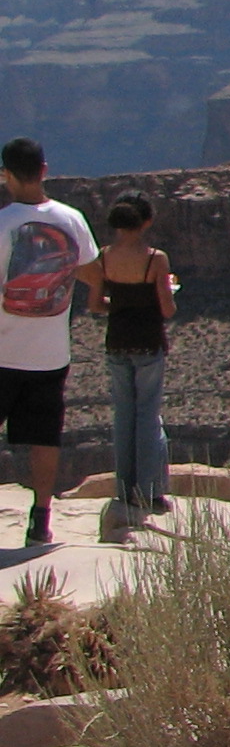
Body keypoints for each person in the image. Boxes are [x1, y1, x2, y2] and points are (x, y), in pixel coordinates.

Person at [1, 138, 99, 550]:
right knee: (44, 438)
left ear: (5, 176)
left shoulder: (2, 223)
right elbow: (93, 274)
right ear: (44, 169)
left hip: (2, 352)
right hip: (50, 355)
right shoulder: (72, 219)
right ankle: (41, 516)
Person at [80, 193, 174, 527]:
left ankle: (124, 489)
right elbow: (167, 309)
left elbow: (95, 304)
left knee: (124, 416)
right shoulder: (155, 259)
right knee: (147, 415)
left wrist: (119, 307)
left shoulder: (103, 258)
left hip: (116, 342)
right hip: (148, 343)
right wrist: (167, 292)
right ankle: (149, 491)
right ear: (144, 222)